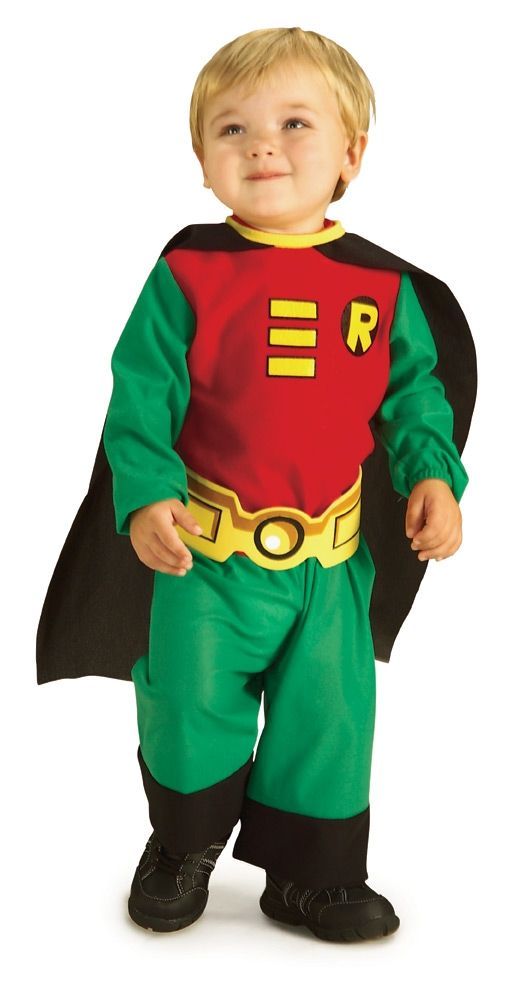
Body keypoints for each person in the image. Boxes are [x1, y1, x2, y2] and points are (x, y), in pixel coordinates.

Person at [36, 26, 477, 943]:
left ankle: (312, 877)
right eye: (231, 129)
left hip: (332, 562)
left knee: (331, 719)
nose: (262, 146)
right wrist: (146, 492)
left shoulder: (383, 288)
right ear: (202, 162)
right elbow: (141, 394)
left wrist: (432, 477)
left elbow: (414, 397)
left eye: (293, 123)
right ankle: (182, 845)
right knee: (189, 702)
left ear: (351, 154)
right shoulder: (189, 272)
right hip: (209, 558)